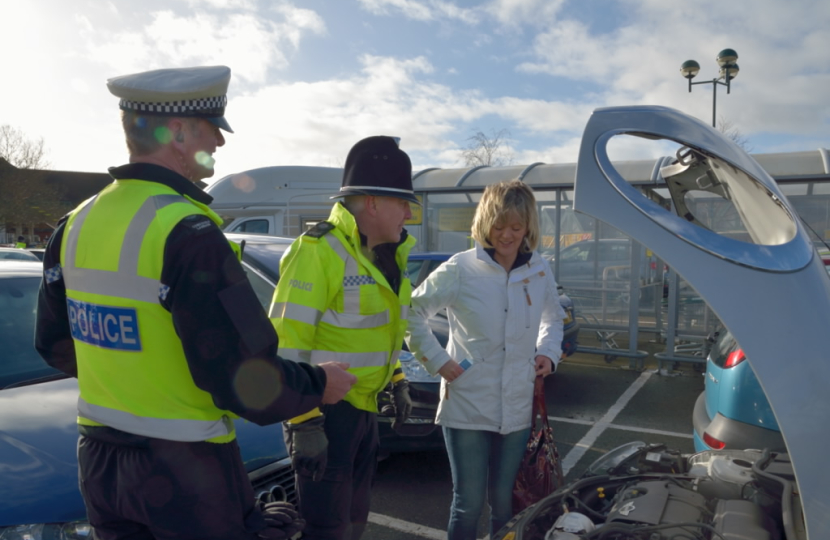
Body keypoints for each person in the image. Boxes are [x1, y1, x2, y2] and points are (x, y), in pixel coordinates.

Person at [34, 65, 356, 540]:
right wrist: (319, 383)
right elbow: (247, 383)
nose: (221, 143)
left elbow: (55, 345)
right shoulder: (188, 232)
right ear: (179, 133)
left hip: (101, 465)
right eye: (213, 129)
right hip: (186, 471)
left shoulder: (75, 222)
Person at [270, 135, 418, 540]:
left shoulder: (388, 255)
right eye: (403, 202)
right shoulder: (318, 251)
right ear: (372, 203)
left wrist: (397, 380)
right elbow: (286, 342)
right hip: (322, 413)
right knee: (326, 529)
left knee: (354, 520)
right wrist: (302, 421)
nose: (409, 213)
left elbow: (381, 332)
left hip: (362, 410)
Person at [405, 179, 566, 540]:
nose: (506, 235)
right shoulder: (460, 268)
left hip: (516, 404)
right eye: (498, 225)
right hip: (467, 403)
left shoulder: (538, 268)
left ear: (528, 227)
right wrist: (437, 360)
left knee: (505, 504)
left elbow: (552, 317)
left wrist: (547, 352)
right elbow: (411, 312)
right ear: (484, 222)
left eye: (516, 226)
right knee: (468, 504)